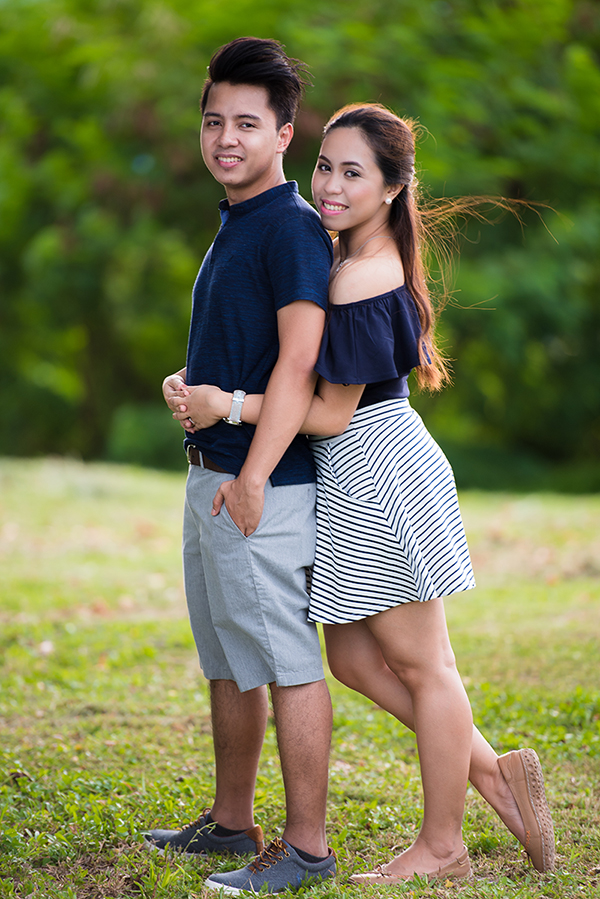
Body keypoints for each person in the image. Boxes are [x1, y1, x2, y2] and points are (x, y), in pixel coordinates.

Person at [172, 102, 556, 885]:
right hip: (349, 475)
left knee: (425, 665)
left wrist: (228, 405)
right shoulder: (349, 257)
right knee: (351, 656)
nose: (332, 185)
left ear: (391, 188)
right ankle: (492, 771)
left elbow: (328, 411)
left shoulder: (361, 274)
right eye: (326, 166)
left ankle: (444, 841)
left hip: (379, 470)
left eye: (354, 172)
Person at [144, 37, 337, 894]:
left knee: (288, 662)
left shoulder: (291, 228)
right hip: (211, 471)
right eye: (215, 120)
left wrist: (254, 473)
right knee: (228, 658)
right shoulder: (239, 222)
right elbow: (251, 355)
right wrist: (196, 389)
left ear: (285, 134)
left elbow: (299, 363)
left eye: (248, 124)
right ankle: (231, 825)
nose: (227, 137)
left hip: (261, 484)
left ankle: (305, 849)